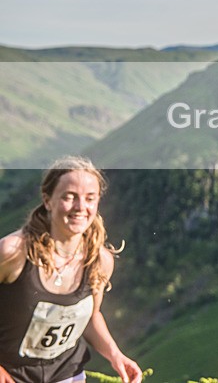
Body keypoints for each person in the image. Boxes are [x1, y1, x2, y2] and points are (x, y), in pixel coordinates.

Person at [0, 156, 142, 383]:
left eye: (90, 199)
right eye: (69, 197)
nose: (80, 207)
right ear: (48, 200)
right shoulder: (13, 253)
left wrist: (115, 355)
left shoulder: (100, 261)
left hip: (68, 376)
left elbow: (90, 316)